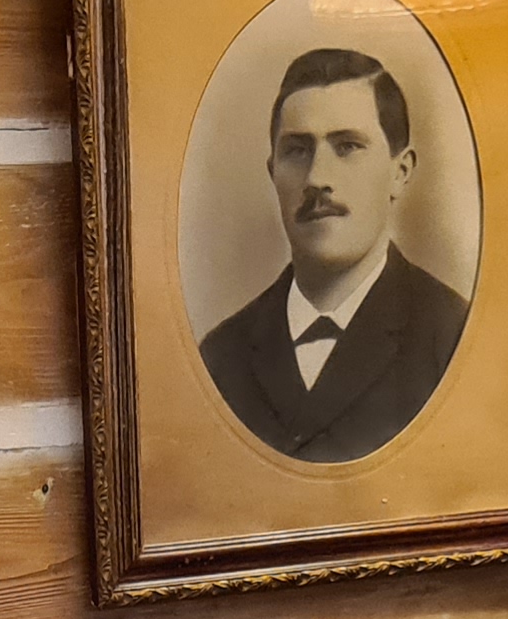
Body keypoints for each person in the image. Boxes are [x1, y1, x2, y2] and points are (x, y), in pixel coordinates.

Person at [196, 45, 469, 463]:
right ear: (273, 173)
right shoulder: (219, 357)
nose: (317, 178)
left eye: (347, 147)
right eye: (297, 150)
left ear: (400, 172)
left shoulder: (451, 338)